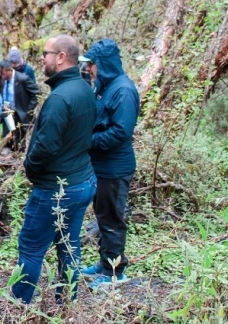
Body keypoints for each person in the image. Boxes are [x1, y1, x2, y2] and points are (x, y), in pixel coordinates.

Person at [11, 35, 97, 304]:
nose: (41, 58)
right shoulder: (84, 89)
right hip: (82, 182)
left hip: (57, 188)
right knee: (69, 248)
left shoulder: (61, 98)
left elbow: (46, 147)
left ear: (61, 57)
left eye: (46, 53)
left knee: (31, 248)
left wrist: (29, 166)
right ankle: (66, 305)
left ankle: (15, 308)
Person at [78, 39, 140, 289]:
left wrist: (87, 141)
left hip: (115, 168)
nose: (89, 69)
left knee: (112, 218)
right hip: (101, 167)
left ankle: (115, 272)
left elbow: (120, 133)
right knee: (103, 216)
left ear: (102, 64)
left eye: (92, 64)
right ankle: (105, 264)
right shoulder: (104, 86)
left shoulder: (123, 90)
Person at [0, 59, 40, 150]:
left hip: (20, 112)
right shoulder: (1, 80)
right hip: (7, 112)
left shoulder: (22, 79)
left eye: (3, 73)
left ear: (9, 70)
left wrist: (29, 109)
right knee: (7, 137)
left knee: (19, 139)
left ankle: (18, 156)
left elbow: (36, 93)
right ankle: (7, 158)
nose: (1, 75)